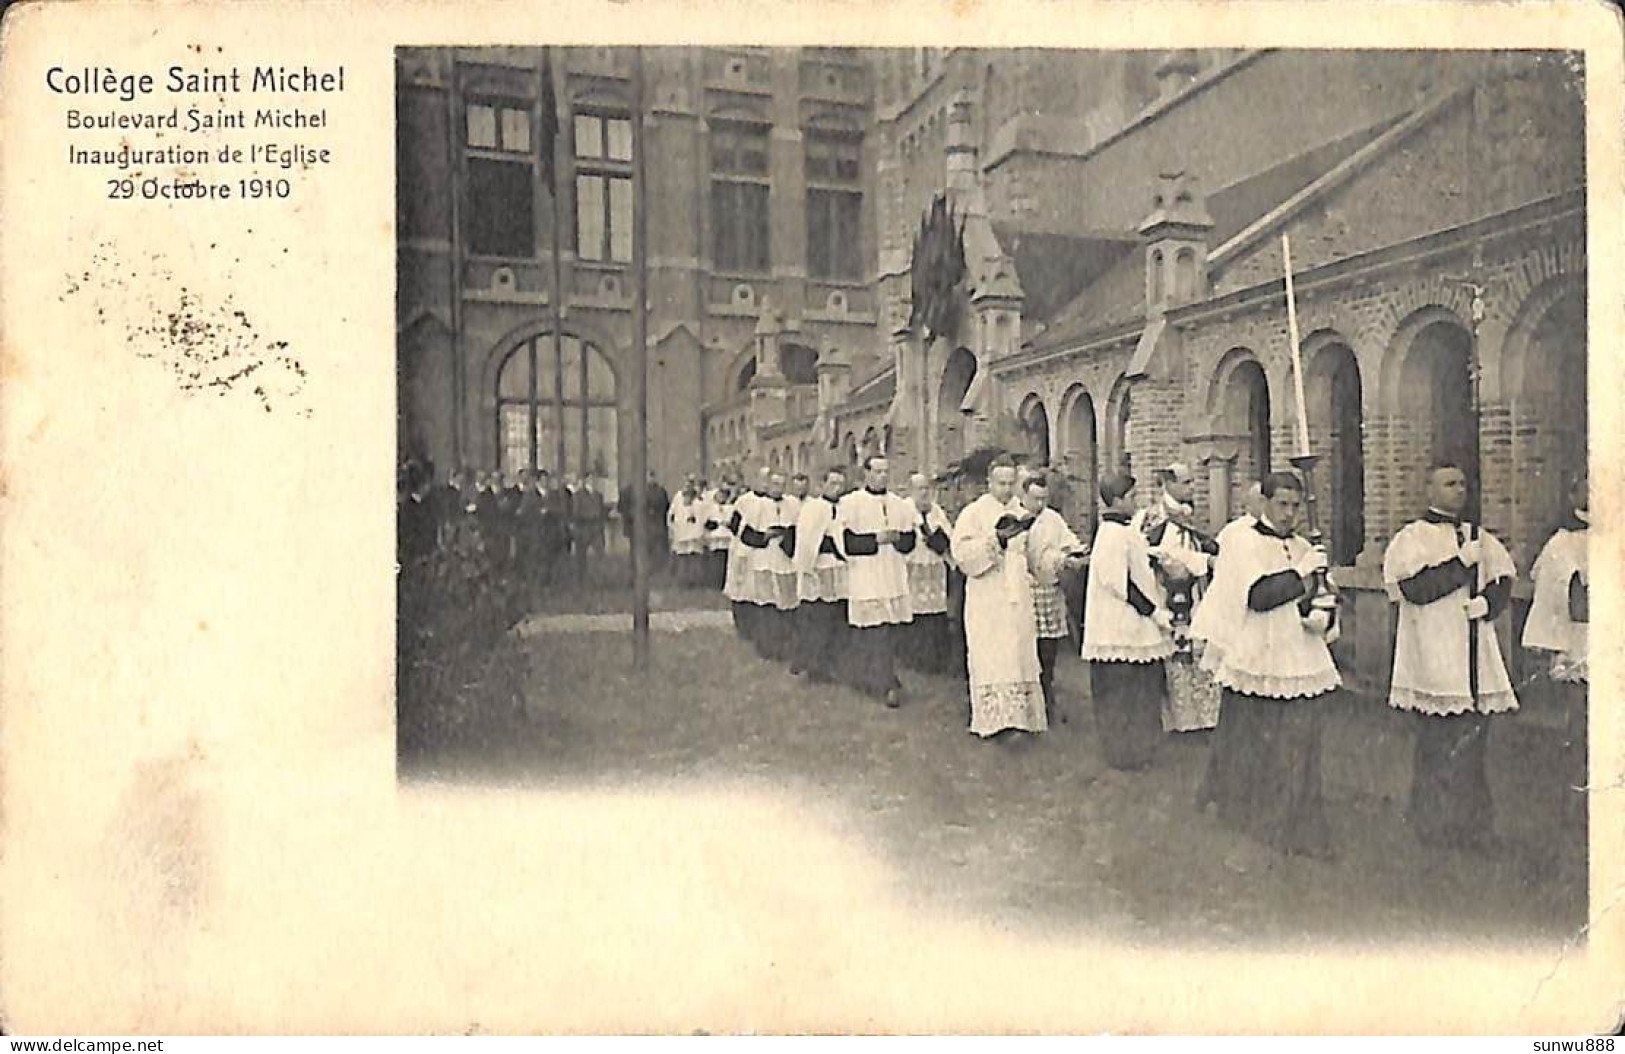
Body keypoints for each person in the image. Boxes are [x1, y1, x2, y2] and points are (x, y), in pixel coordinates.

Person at [1202, 471, 1340, 859]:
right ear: (1264, 503)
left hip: (1299, 652)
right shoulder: (1243, 542)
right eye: (1281, 504)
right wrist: (1302, 572)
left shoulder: (1300, 544)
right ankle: (1250, 815)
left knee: (1300, 744)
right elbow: (1260, 595)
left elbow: (1319, 594)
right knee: (1255, 743)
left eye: (1295, 506)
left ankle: (1298, 822)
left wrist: (1323, 611)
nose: (1289, 514)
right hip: (1258, 654)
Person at [1382, 462, 1518, 853]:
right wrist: (1461, 565)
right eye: (1449, 483)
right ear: (1429, 489)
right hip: (1435, 651)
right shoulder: (1413, 538)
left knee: (1474, 742)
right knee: (1438, 742)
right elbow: (1414, 589)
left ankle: (1475, 826)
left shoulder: (1479, 536)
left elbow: (1503, 579)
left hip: (1473, 652)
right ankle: (1433, 822)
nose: (1459, 490)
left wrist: (1487, 602)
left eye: (1462, 483)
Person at [951, 455, 1045, 741]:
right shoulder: (974, 513)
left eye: (1010, 483)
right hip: (988, 595)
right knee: (994, 655)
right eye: (1000, 483)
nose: (1006, 489)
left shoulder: (1023, 511)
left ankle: (1023, 721)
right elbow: (962, 556)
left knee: (1019, 652)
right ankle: (996, 723)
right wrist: (995, 542)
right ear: (989, 482)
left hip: (1017, 595)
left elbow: (1034, 552)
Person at [1082, 472, 1172, 768]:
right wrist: (1153, 611)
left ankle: (1141, 750)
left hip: (1133, 625)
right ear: (1118, 500)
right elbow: (1120, 584)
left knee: (1141, 693)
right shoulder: (1110, 534)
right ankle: (1123, 754)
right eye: (1132, 497)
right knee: (1122, 695)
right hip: (1118, 627)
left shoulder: (1125, 530)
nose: (1136, 501)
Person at [1524, 474, 1589, 825]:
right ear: (1572, 494)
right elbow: (1575, 601)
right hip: (1584, 642)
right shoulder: (1563, 544)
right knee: (1582, 731)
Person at [836, 455, 917, 707]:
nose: (882, 476)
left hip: (891, 575)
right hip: (867, 574)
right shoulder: (851, 503)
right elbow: (845, 543)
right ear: (866, 473)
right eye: (877, 471)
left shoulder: (899, 504)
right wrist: (876, 539)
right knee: (874, 631)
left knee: (888, 631)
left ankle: (879, 677)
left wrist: (897, 539)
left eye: (886, 471)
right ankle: (885, 683)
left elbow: (910, 541)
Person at [1021, 472, 1090, 727]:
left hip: (1049, 589)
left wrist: (1075, 552)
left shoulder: (1052, 519)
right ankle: (1031, 697)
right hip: (1026, 588)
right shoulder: (1017, 519)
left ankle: (1048, 692)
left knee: (1049, 647)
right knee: (1029, 646)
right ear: (1024, 496)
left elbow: (1068, 541)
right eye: (1035, 498)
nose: (1039, 504)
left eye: (1043, 499)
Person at [791, 466, 849, 683]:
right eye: (833, 483)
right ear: (822, 484)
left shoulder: (845, 506)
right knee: (817, 620)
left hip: (840, 568)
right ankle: (815, 666)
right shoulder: (813, 508)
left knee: (837, 618)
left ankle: (835, 663)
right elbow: (807, 540)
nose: (837, 488)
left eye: (841, 484)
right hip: (819, 567)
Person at [740, 470, 800, 662]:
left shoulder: (792, 504)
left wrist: (787, 534)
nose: (778, 488)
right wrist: (764, 536)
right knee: (767, 605)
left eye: (782, 485)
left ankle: (784, 645)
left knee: (786, 605)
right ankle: (766, 647)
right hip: (764, 559)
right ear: (768, 484)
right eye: (775, 484)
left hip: (785, 559)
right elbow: (746, 535)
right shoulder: (758, 505)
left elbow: (798, 529)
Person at [902, 472, 954, 675]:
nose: (924, 493)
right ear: (911, 490)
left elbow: (947, 533)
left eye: (927, 488)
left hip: (934, 565)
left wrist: (938, 539)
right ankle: (914, 658)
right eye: (920, 489)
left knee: (935, 613)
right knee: (914, 612)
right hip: (913, 564)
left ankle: (936, 660)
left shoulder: (936, 510)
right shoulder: (905, 509)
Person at [723, 470, 766, 645]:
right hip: (743, 548)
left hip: (762, 551)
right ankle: (742, 626)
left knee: (756, 589)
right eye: (761, 479)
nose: (764, 483)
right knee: (740, 588)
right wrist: (748, 538)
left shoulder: (771, 502)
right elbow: (734, 524)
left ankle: (757, 626)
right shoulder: (744, 501)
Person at [668, 475, 709, 588]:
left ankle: (695, 582)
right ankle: (682, 582)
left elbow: (701, 520)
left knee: (694, 559)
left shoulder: (698, 503)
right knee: (682, 559)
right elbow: (672, 516)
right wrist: (673, 530)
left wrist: (699, 534)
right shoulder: (678, 498)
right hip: (681, 534)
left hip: (694, 536)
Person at [572, 476, 607, 581]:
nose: (592, 482)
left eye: (593, 479)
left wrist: (601, 522)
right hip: (584, 529)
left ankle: (599, 578)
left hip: (596, 529)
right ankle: (581, 578)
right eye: (590, 479)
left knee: (599, 555)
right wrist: (587, 517)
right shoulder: (578, 495)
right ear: (585, 481)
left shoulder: (599, 495)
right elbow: (576, 512)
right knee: (581, 557)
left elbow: (602, 511)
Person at [704, 480, 735, 590]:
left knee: (726, 563)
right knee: (715, 563)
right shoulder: (711, 508)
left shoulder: (731, 508)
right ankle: (714, 583)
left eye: (724, 495)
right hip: (715, 538)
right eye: (720, 495)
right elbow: (707, 522)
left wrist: (727, 523)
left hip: (727, 538)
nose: (722, 497)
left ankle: (725, 584)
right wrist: (716, 523)